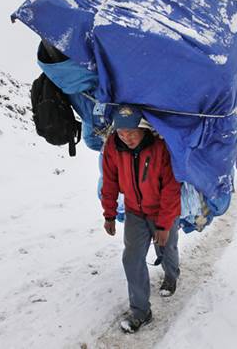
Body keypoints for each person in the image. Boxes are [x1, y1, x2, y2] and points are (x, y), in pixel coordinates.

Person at [100, 104, 181, 334]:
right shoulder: (113, 148)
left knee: (167, 249)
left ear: (143, 128)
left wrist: (164, 224)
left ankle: (171, 276)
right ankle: (141, 311)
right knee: (132, 259)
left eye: (131, 133)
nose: (126, 138)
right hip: (135, 212)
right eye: (121, 133)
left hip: (162, 211)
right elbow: (110, 182)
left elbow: (171, 188)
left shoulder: (160, 148)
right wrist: (109, 214)